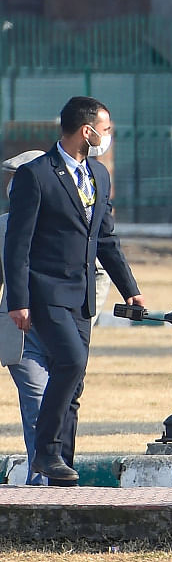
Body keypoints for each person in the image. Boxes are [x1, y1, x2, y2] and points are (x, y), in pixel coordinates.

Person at [4, 96, 144, 485]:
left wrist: (129, 289)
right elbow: (17, 246)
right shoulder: (36, 175)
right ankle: (45, 452)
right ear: (87, 130)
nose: (108, 136)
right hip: (45, 292)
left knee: (74, 383)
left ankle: (60, 466)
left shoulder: (99, 175)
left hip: (81, 296)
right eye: (107, 128)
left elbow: (106, 239)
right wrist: (19, 301)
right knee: (71, 361)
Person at [0, 150, 53, 485]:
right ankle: (42, 477)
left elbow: (99, 270)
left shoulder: (66, 222)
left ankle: (54, 471)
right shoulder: (3, 225)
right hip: (19, 330)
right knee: (37, 400)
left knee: (60, 404)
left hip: (64, 326)